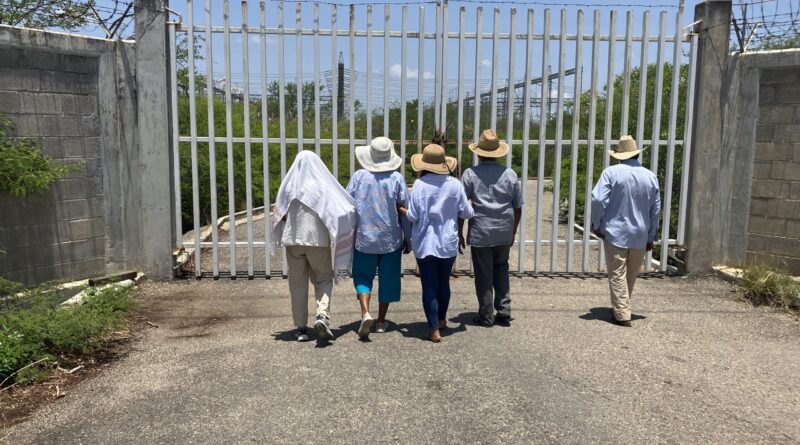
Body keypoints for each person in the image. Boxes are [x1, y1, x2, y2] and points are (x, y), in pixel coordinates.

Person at [272, 151, 356, 341]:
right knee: (323, 279)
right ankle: (322, 315)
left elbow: (281, 214)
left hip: (294, 240)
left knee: (297, 284)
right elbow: (336, 210)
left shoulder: (289, 185)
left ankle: (301, 329)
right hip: (318, 241)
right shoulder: (322, 186)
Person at [402, 143, 474, 343]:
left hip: (425, 241)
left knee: (429, 285)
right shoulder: (455, 184)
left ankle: (433, 329)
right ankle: (442, 320)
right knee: (443, 282)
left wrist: (402, 210)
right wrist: (470, 204)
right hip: (447, 241)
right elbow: (466, 212)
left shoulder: (419, 185)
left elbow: (413, 216)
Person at [590, 135, 660, 327]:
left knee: (617, 273)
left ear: (620, 155)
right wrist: (651, 236)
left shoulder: (611, 173)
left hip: (616, 230)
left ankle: (622, 315)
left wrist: (597, 223)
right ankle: (622, 307)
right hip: (640, 232)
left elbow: (598, 199)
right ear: (636, 154)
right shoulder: (650, 176)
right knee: (631, 273)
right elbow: (655, 210)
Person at [346, 136, 408, 338]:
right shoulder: (396, 178)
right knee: (388, 279)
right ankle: (381, 321)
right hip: (390, 238)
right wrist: (408, 237)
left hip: (365, 237)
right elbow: (404, 209)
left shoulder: (359, 177)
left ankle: (365, 312)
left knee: (363, 276)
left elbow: (347, 203)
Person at [460, 129, 522, 327]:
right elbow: (517, 207)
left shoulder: (470, 174)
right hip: (503, 229)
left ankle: (486, 314)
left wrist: (459, 231)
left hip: (481, 231)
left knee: (483, 273)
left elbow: (462, 206)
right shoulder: (510, 174)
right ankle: (504, 310)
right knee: (502, 268)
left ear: (479, 152)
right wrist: (513, 231)